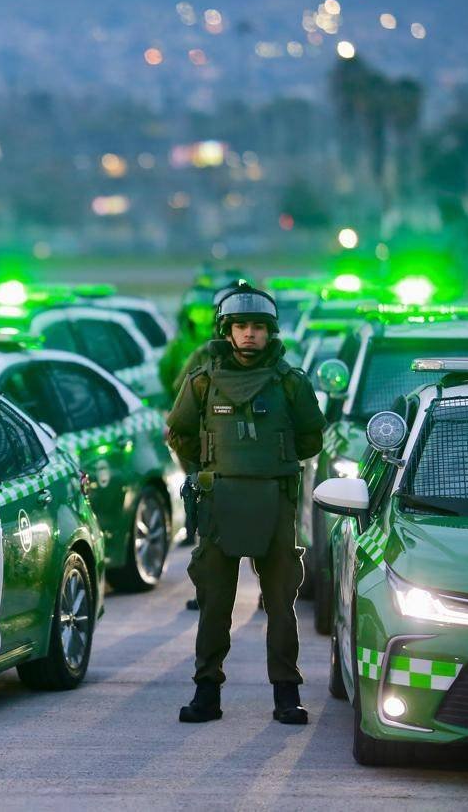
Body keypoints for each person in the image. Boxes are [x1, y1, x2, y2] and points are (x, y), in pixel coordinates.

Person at [166, 283, 326, 726]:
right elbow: (177, 432)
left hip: (275, 502)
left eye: (258, 327)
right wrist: (207, 471)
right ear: (227, 330)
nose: (250, 334)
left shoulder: (290, 383)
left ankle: (286, 694)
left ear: (270, 332)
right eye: (241, 326)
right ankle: (206, 693)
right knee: (215, 602)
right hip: (220, 503)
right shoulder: (201, 382)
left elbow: (311, 435)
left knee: (280, 601)